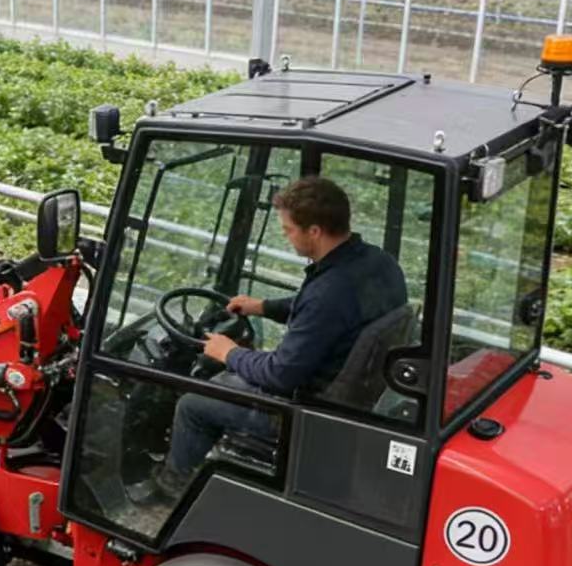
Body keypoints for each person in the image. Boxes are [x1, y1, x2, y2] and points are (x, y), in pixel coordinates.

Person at [153, 175, 408, 500]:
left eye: (288, 230)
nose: (286, 237)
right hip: (349, 396)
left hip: (302, 412)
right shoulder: (378, 263)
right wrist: (263, 307)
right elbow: (326, 311)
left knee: (193, 404)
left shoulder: (329, 292)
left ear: (314, 231)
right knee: (232, 373)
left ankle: (173, 487)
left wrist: (228, 353)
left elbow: (280, 374)